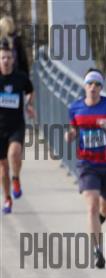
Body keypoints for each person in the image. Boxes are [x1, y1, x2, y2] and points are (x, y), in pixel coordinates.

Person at [65, 69, 106, 267]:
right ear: (85, 86)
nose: (93, 87)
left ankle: (99, 220)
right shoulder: (75, 107)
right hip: (87, 164)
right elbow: (73, 128)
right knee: (92, 206)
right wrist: (70, 134)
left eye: (97, 84)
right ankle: (98, 251)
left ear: (101, 87)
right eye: (90, 83)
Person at [0, 40, 33, 214]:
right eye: (2, 57)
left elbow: (30, 90)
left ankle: (16, 178)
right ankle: (7, 198)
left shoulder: (20, 77)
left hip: (16, 125)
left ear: (13, 59)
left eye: (8, 57)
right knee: (3, 167)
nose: (6, 61)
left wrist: (29, 105)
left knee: (14, 153)